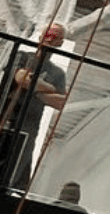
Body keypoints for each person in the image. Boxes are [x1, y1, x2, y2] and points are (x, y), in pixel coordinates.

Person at [0, 25, 69, 192]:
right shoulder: (22, 56)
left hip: (27, 131)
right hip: (4, 120)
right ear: (40, 36)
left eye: (55, 36)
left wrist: (34, 90)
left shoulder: (58, 73)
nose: (50, 38)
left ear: (61, 42)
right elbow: (21, 77)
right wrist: (48, 89)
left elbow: (60, 102)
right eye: (48, 33)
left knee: (11, 176)